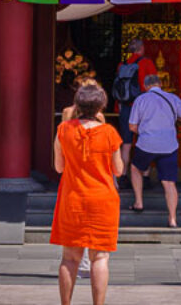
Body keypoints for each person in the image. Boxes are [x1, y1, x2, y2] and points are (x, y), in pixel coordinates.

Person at [51, 83, 124, 305]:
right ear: (101, 106)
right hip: (103, 200)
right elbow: (118, 170)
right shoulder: (110, 132)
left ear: (78, 104)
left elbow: (59, 167)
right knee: (99, 258)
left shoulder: (64, 130)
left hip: (72, 198)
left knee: (69, 258)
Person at [128, 74, 181, 226]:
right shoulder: (172, 98)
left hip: (146, 144)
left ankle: (139, 202)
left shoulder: (141, 99)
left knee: (136, 168)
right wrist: (176, 120)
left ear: (145, 86)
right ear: (160, 84)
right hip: (169, 145)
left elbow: (132, 126)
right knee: (169, 182)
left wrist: (146, 131)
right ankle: (172, 219)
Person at [60, 76, 105, 281]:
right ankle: (85, 262)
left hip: (76, 170)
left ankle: (77, 262)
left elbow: (62, 139)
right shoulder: (94, 117)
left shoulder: (70, 113)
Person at [115, 40, 156, 186]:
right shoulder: (146, 63)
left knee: (126, 144)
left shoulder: (122, 65)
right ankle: (144, 177)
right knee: (146, 142)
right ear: (141, 49)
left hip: (126, 106)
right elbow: (153, 85)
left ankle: (123, 176)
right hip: (143, 105)